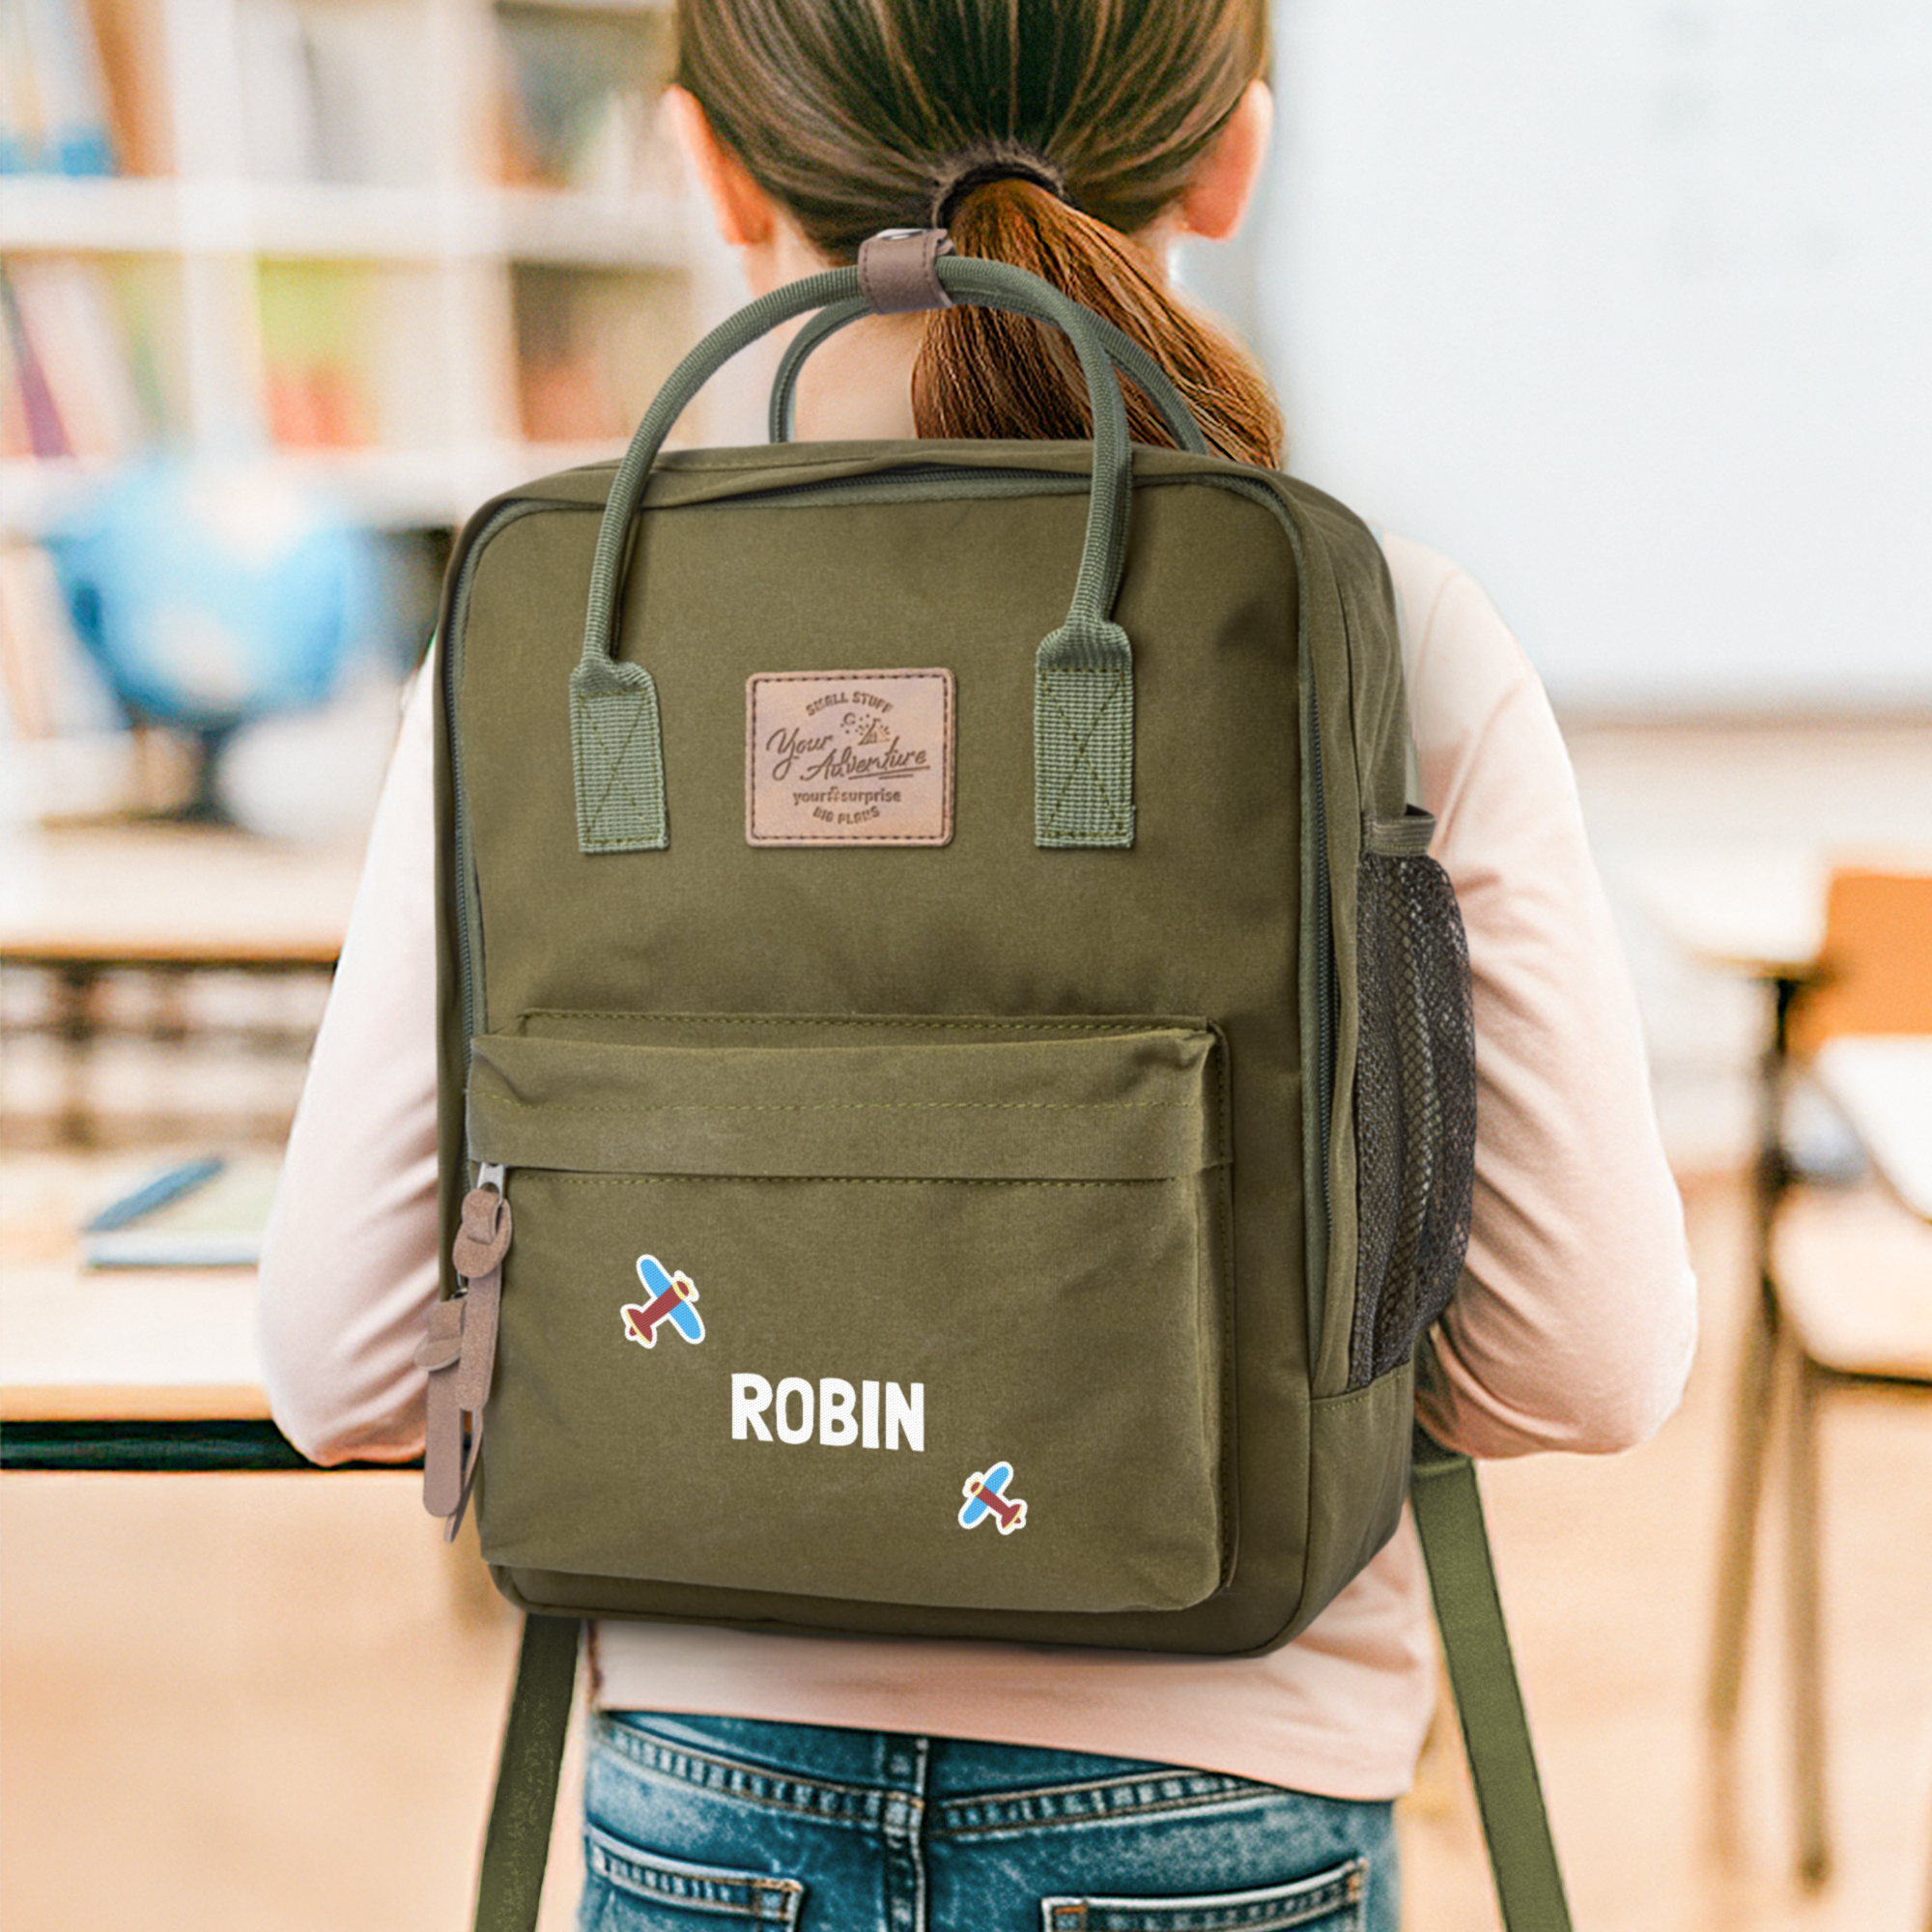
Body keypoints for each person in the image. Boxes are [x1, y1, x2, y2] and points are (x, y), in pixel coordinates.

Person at [257, 4, 1697, 1927]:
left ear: (700, 163)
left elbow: (346, 1364)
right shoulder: (1393, 633)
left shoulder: (556, 641)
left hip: (701, 1805)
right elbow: (1580, 1363)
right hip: (1219, 1809)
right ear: (1230, 155)